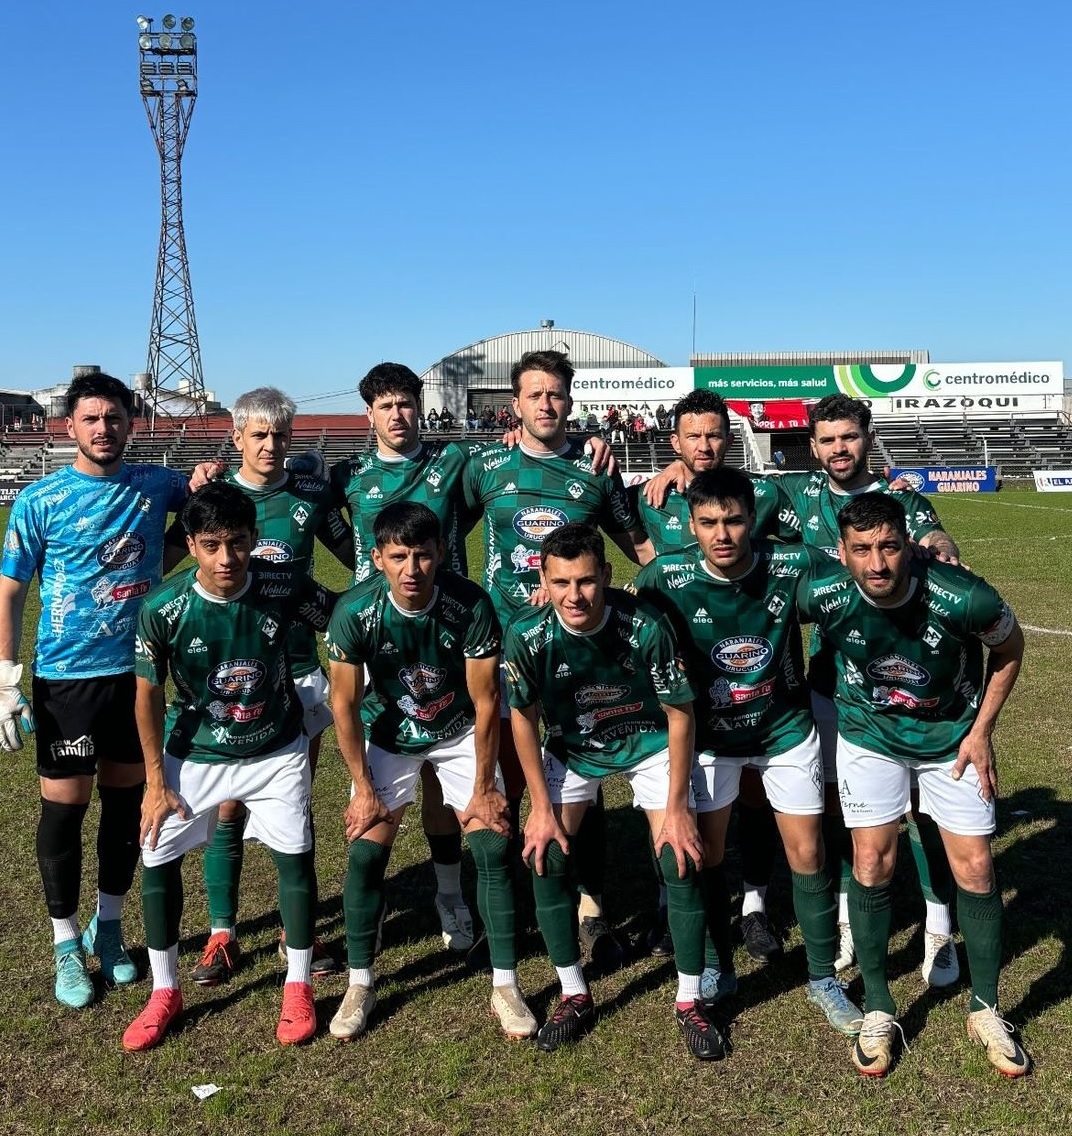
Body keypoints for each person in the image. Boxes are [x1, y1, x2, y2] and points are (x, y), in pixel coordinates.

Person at [798, 493, 1029, 1078]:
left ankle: (986, 1008)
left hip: (951, 739)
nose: (877, 563)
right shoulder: (821, 592)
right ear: (842, 554)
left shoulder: (962, 594)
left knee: (975, 868)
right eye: (862, 550)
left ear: (909, 545)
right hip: (868, 736)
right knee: (872, 861)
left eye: (889, 547)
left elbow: (1010, 647)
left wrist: (981, 731)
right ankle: (878, 1006)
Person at [633, 468, 862, 1037]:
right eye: (708, 522)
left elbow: (863, 582)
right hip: (709, 738)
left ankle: (821, 978)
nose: (723, 533)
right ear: (690, 525)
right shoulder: (664, 576)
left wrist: (929, 555)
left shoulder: (792, 564)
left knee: (806, 852)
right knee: (707, 855)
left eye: (734, 519)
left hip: (784, 728)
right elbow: (619, 622)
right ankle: (716, 967)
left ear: (751, 519)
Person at [122, 481, 337, 1051]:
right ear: (190, 545)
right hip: (195, 754)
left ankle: (296, 984)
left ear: (254, 540)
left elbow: (345, 619)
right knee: (157, 852)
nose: (226, 558)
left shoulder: (282, 584)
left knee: (295, 856)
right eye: (212, 545)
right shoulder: (162, 608)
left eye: (238, 543)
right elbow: (146, 694)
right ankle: (164, 990)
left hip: (276, 750)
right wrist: (153, 783)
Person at [0, 372, 192, 1009]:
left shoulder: (154, 484)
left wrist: (205, 481)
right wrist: (6, 679)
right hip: (67, 679)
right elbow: (9, 591)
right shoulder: (40, 500)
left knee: (124, 804)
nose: (103, 429)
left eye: (114, 418)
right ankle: (63, 943)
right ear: (69, 426)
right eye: (91, 419)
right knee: (64, 809)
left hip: (137, 675)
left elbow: (198, 512)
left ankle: (108, 929)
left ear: (131, 424)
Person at [462, 350, 655, 967]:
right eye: (535, 395)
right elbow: (433, 527)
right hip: (501, 641)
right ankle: (507, 906)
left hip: (578, 647)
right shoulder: (485, 467)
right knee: (504, 770)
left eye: (557, 395)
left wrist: (673, 465)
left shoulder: (596, 469)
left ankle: (591, 905)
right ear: (515, 404)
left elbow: (643, 545)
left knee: (581, 775)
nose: (547, 405)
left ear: (571, 403)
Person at [504, 523, 725, 1060]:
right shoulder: (526, 634)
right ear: (543, 578)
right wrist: (538, 806)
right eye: (560, 583)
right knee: (546, 853)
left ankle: (690, 1000)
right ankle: (574, 992)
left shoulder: (644, 625)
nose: (574, 596)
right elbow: (523, 719)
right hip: (577, 748)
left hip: (649, 742)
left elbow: (679, 714)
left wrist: (675, 808)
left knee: (680, 856)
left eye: (585, 581)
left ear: (605, 574)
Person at [324, 502, 536, 1042]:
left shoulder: (469, 603)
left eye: (422, 555)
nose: (412, 569)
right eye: (398, 557)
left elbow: (487, 703)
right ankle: (359, 983)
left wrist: (485, 787)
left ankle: (506, 985)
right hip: (390, 733)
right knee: (366, 849)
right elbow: (344, 707)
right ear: (377, 558)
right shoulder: (354, 611)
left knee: (491, 843)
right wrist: (365, 790)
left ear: (442, 553)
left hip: (460, 727)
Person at [780, 395, 961, 982]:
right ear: (813, 446)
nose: (840, 448)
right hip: (835, 687)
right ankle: (847, 922)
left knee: (923, 813)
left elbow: (939, 543)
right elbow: (721, 501)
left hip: (912, 691)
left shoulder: (902, 499)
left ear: (867, 436)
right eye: (828, 439)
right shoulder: (793, 498)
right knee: (840, 809)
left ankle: (939, 931)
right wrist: (681, 469)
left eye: (849, 437)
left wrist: (938, 548)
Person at [187, 387, 353, 986]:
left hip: (301, 670)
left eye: (279, 435)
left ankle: (294, 931)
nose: (269, 446)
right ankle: (222, 934)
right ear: (237, 438)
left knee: (295, 800)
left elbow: (356, 554)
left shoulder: (309, 493)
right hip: (234, 672)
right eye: (257, 435)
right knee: (228, 805)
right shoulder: (213, 494)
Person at [637, 389, 799, 961]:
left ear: (729, 439)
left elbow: (822, 528)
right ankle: (670, 905)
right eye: (693, 436)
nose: (705, 446)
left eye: (714, 435)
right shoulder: (649, 499)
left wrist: (906, 506)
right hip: (681, 683)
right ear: (674, 440)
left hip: (757, 672)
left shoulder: (765, 495)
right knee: (673, 797)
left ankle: (754, 905)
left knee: (753, 793)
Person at [329, 364, 481, 953]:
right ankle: (370, 903)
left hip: (449, 636)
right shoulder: (347, 474)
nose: (397, 415)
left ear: (421, 408)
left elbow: (505, 481)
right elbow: (290, 498)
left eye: (406, 404)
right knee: (381, 767)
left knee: (446, 771)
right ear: (369, 413)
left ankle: (449, 894)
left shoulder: (455, 464)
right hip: (379, 640)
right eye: (385, 405)